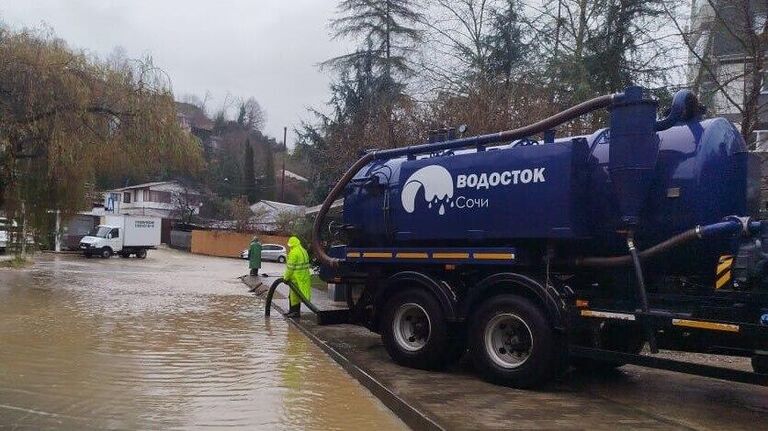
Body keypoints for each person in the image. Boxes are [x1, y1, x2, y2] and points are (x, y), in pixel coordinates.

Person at [282, 236, 311, 318]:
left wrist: (285, 278)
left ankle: (294, 312)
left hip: (296, 278)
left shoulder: (294, 252)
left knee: (293, 296)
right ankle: (294, 312)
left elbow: (290, 268)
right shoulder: (303, 251)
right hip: (304, 277)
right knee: (298, 296)